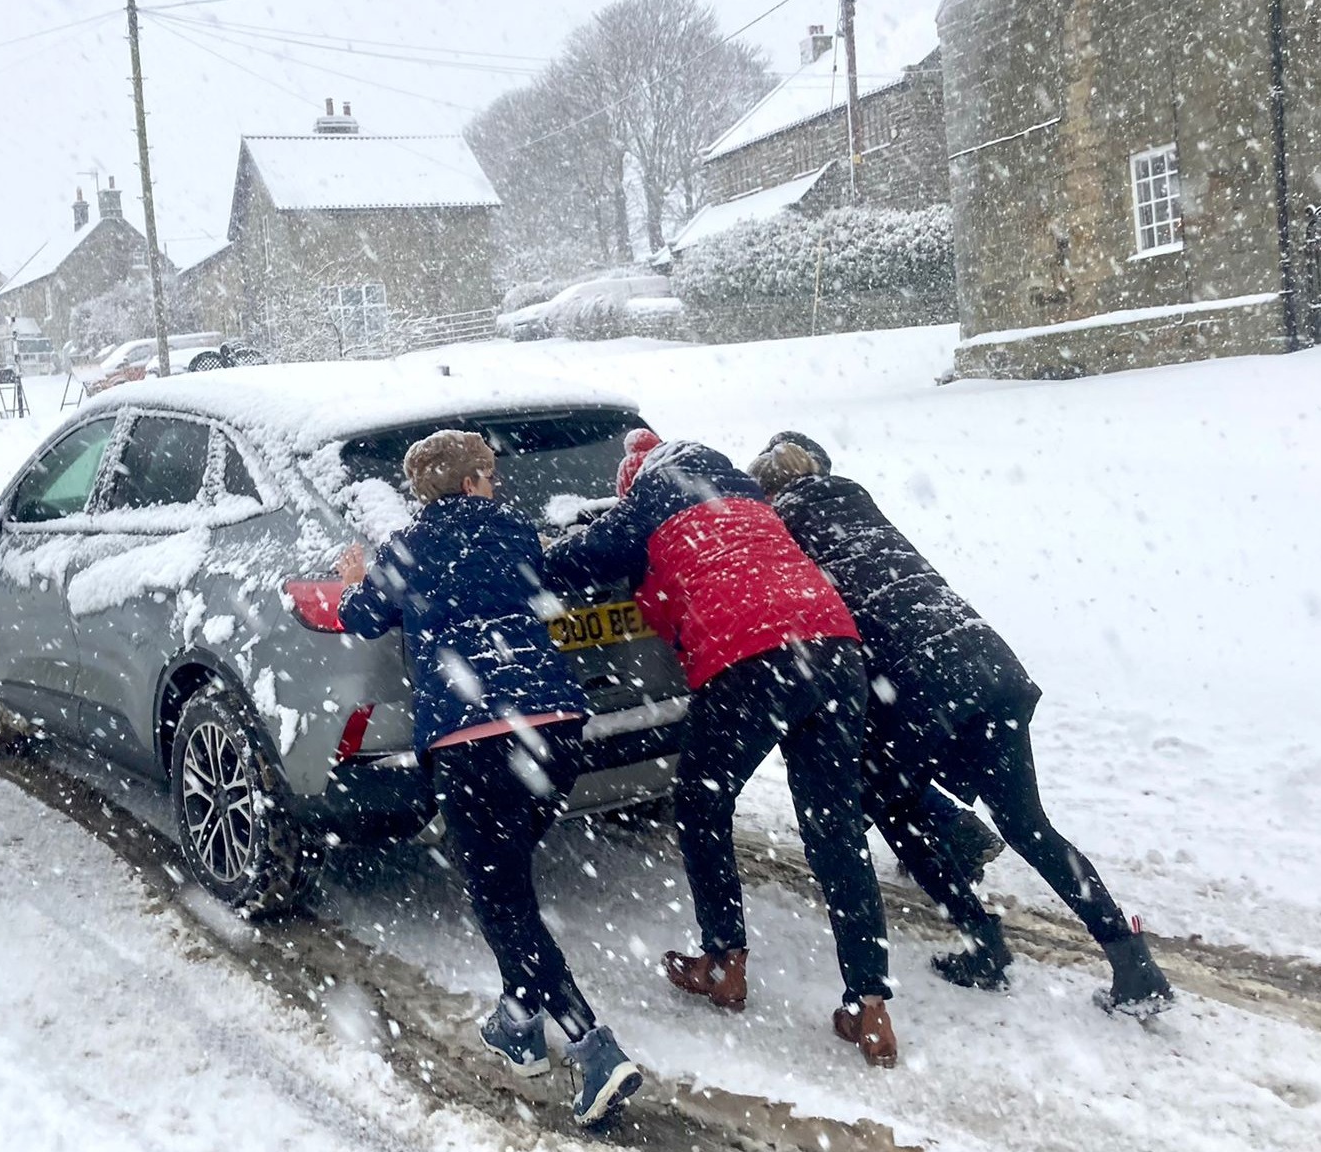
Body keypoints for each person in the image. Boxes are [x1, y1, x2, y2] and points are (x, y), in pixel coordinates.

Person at [747, 432, 1174, 1017]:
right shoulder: (855, 500)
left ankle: (983, 942)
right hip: (988, 664)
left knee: (893, 809)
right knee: (1029, 825)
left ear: (767, 491)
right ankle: (1133, 963)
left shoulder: (781, 529)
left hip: (918, 683)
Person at [543, 429, 899, 1067]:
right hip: (833, 646)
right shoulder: (748, 494)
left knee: (702, 806)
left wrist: (534, 550)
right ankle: (868, 1004)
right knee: (836, 829)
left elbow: (578, 559)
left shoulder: (652, 492)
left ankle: (723, 959)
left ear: (636, 477)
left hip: (749, 658)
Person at [337, 429, 643, 1125]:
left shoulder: (407, 549)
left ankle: (593, 1045)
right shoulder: (515, 533)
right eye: (490, 473)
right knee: (508, 885)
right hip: (557, 728)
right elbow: (554, 577)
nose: (497, 484)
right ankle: (517, 1021)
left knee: (500, 897)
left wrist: (357, 578)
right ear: (471, 481)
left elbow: (361, 619)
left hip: (471, 740)